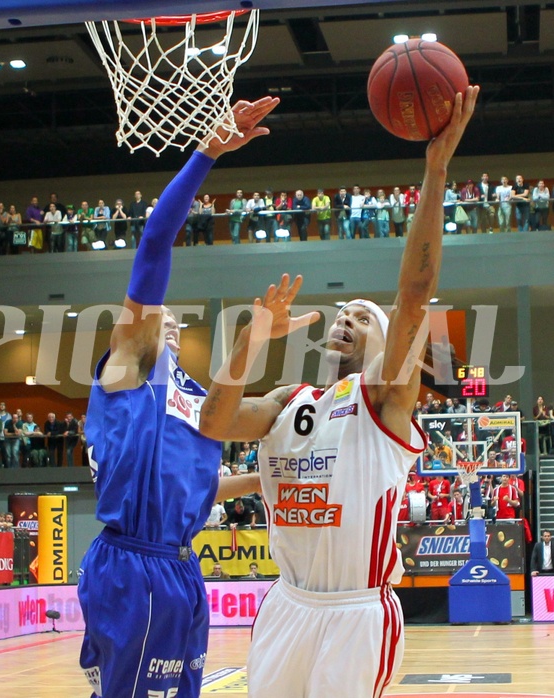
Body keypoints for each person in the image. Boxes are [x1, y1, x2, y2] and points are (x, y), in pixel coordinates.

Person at [200, 87, 478, 698]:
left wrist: (435, 171)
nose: (346, 319)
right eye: (342, 312)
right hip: (286, 605)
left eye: (363, 316)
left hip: (357, 613)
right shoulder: (286, 400)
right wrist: (249, 344)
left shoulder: (385, 402)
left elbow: (414, 296)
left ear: (390, 345)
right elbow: (214, 425)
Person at [77, 96, 280, 698]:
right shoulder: (125, 376)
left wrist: (266, 477)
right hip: (131, 566)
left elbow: (194, 485)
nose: (161, 316)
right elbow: (154, 244)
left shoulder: (190, 397)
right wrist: (205, 155)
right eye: (150, 315)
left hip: (178, 567)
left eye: (168, 318)